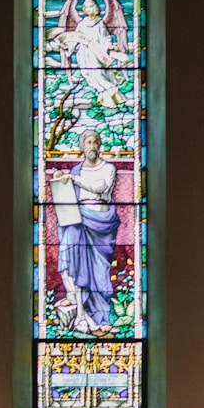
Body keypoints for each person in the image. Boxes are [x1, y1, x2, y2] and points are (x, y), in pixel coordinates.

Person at [51, 129, 120, 335]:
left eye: (95, 142)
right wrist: (60, 177)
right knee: (73, 263)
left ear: (99, 145)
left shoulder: (108, 168)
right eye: (88, 142)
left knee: (100, 273)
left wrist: (73, 178)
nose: (92, 146)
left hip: (101, 224)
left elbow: (100, 187)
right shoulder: (76, 169)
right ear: (82, 146)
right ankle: (82, 313)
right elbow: (66, 191)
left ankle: (102, 316)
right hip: (78, 220)